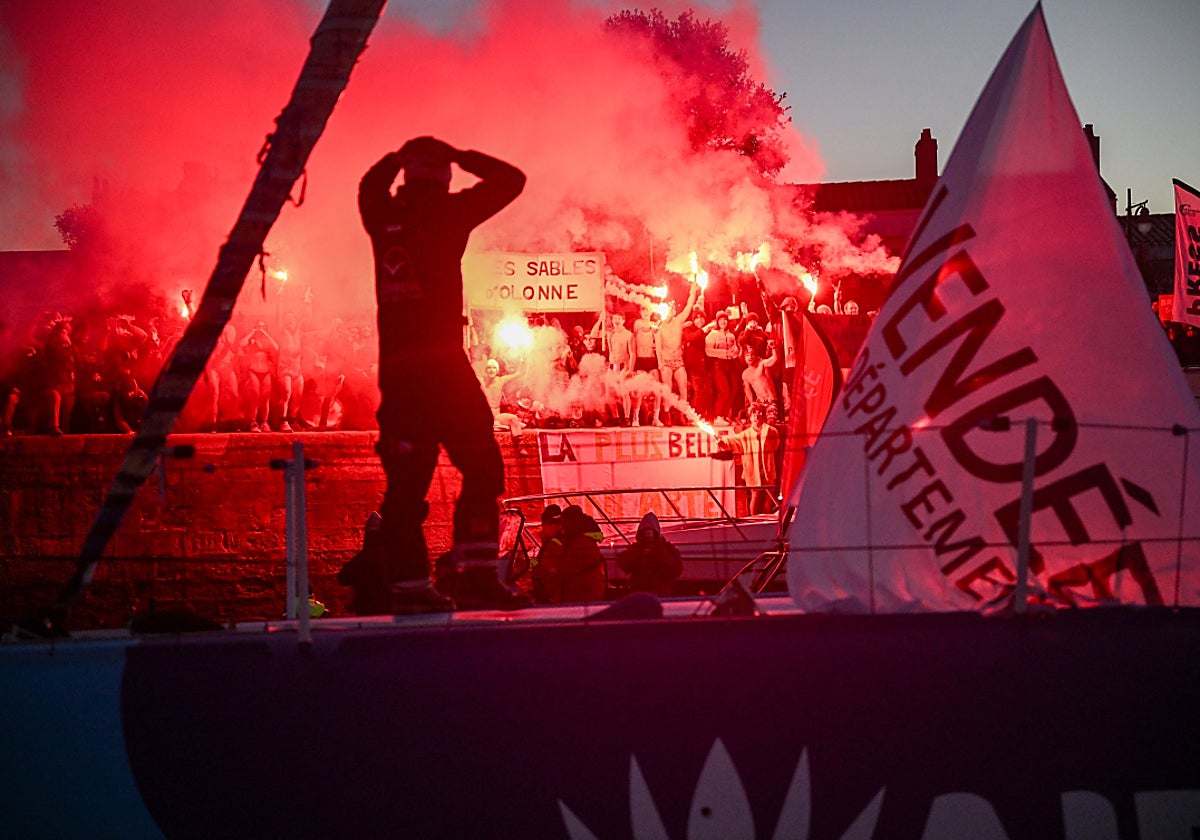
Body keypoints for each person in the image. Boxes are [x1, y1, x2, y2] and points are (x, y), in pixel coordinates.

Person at [359, 135, 529, 613]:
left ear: (408, 175)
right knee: (482, 468)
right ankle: (475, 575)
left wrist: (393, 158)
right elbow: (511, 180)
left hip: (400, 376)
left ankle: (411, 589)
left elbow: (367, 188)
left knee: (405, 488)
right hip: (446, 370)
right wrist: (462, 154)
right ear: (445, 176)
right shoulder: (451, 214)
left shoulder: (381, 218)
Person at [532, 503, 607, 603]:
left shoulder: (580, 545)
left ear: (572, 523)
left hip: (582, 598)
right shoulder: (576, 542)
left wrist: (537, 569)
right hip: (581, 595)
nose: (562, 526)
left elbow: (563, 572)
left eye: (564, 522)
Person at [715, 402, 781, 515]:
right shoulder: (745, 435)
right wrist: (721, 442)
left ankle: (768, 520)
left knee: (769, 496)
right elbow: (731, 443)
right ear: (750, 417)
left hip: (767, 470)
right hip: (752, 470)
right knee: (756, 495)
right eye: (753, 414)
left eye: (759, 413)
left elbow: (775, 444)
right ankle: (755, 520)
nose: (756, 416)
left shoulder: (771, 431)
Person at [616, 511, 683, 597]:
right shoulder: (636, 549)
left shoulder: (666, 549)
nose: (648, 537)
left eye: (651, 533)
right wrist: (640, 553)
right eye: (645, 533)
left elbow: (676, 570)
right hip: (639, 596)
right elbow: (624, 563)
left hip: (660, 595)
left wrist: (658, 552)